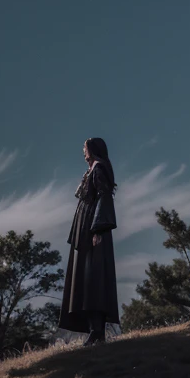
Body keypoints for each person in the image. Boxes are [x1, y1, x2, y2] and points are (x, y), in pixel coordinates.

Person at [58, 137, 120, 345]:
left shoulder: (98, 169)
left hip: (93, 232)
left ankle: (97, 330)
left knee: (93, 280)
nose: (82, 151)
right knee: (86, 281)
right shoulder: (93, 169)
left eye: (84, 148)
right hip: (86, 231)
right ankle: (95, 331)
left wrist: (98, 230)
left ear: (92, 150)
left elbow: (104, 197)